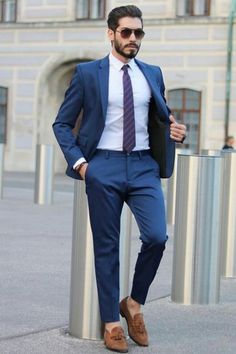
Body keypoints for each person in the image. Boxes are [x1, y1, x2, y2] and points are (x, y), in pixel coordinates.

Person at [53, 5, 186, 353]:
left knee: (157, 236)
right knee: (107, 247)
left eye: (138, 33)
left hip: (143, 166)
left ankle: (134, 303)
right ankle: (111, 323)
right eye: (126, 32)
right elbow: (62, 124)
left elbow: (161, 116)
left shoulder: (152, 73)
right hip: (103, 166)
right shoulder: (87, 74)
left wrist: (175, 129)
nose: (132, 39)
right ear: (110, 33)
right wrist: (83, 165)